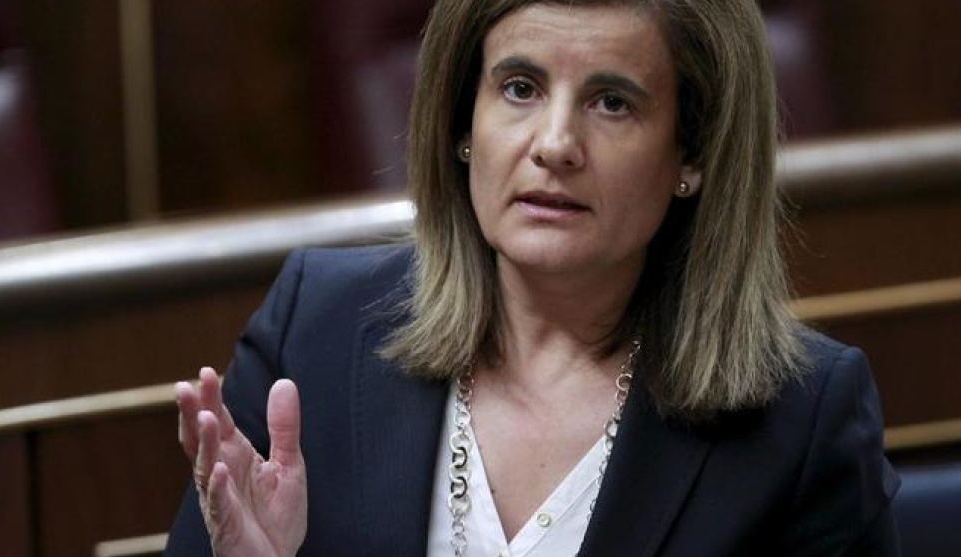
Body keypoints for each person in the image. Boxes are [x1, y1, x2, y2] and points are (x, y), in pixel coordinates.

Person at [165, 0, 901, 555]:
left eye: (612, 102)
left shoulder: (800, 422)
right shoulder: (315, 329)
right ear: (464, 121)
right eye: (520, 87)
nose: (555, 145)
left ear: (693, 153)